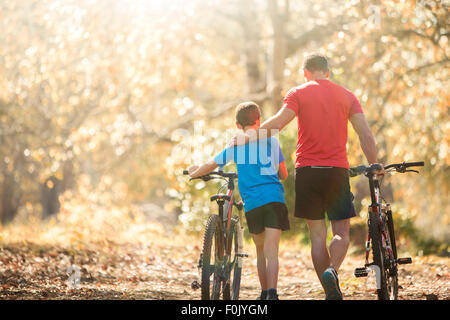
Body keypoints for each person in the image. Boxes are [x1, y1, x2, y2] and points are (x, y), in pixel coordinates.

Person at [230, 54, 383, 300]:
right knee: (341, 233)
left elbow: (278, 124)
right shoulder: (347, 96)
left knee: (317, 237)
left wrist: (248, 137)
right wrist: (375, 163)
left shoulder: (298, 93)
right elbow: (365, 134)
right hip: (336, 171)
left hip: (307, 172)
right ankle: (332, 271)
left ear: (305, 73)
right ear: (328, 72)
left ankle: (329, 292)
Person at [188, 101, 290, 300]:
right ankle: (272, 294)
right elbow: (283, 173)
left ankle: (262, 293)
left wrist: (194, 173)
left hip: (253, 203)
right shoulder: (271, 141)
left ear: (237, 125)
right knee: (272, 251)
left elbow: (211, 164)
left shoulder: (236, 144)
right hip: (274, 199)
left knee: (260, 251)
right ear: (259, 121)